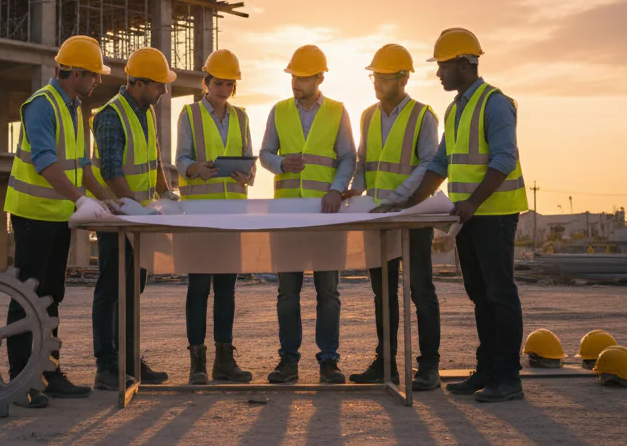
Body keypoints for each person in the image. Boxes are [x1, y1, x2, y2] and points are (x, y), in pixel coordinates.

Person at [407, 28, 529, 403]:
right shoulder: (456, 108)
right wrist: (411, 201)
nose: (438, 73)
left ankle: (508, 376)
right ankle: (488, 369)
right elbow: (442, 162)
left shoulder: (494, 103)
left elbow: (504, 158)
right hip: (468, 218)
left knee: (500, 294)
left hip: (493, 215)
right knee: (480, 295)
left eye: (442, 66)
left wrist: (473, 202)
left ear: (464, 63)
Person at [4, 35, 120, 409]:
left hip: (58, 219)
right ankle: (21, 381)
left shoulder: (74, 108)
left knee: (52, 297)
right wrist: (80, 199)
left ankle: (49, 374)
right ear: (75, 73)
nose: (98, 82)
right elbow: (44, 162)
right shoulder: (42, 105)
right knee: (28, 298)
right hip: (33, 217)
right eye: (94, 76)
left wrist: (106, 200)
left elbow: (83, 166)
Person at [343, 44, 442, 391]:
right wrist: (354, 191)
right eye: (374, 76)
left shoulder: (422, 115)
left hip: (411, 216)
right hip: (378, 218)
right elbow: (363, 163)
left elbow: (429, 164)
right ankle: (386, 364)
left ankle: (428, 367)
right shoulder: (368, 115)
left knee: (420, 291)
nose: (377, 83)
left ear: (403, 78)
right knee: (383, 293)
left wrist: (399, 200)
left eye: (383, 77)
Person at [259, 44, 355, 385]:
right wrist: (280, 163)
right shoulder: (279, 110)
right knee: (287, 293)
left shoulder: (337, 111)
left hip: (325, 214)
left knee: (328, 292)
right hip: (287, 214)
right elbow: (265, 153)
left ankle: (329, 361)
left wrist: (336, 189)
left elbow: (347, 157)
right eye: (293, 76)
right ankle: (288, 360)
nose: (295, 83)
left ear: (319, 77)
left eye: (302, 77)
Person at [91, 47, 177, 391]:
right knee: (111, 290)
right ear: (138, 83)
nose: (164, 91)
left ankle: (128, 358)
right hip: (119, 220)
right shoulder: (111, 116)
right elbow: (112, 172)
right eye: (159, 85)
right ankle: (106, 366)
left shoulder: (146, 112)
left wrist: (166, 192)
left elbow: (152, 161)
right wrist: (131, 209)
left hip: (138, 220)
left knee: (133, 290)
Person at [176, 49, 254, 384]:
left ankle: (224, 361)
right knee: (198, 289)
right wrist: (196, 170)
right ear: (206, 82)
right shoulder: (189, 115)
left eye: (229, 83)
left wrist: (247, 176)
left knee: (226, 289)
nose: (224, 88)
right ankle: (197, 364)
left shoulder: (241, 117)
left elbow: (249, 163)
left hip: (232, 214)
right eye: (219, 82)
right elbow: (181, 159)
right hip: (200, 213)